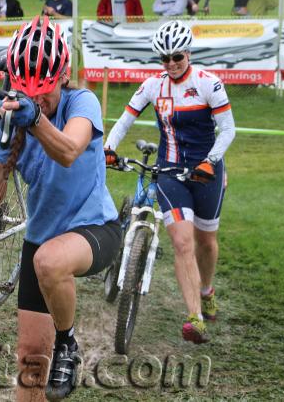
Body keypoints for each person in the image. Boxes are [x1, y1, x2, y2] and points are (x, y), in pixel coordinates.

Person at [0, 15, 121, 401]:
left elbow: (68, 151)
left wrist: (35, 119)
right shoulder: (12, 120)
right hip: (42, 239)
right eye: (29, 93)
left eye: (45, 92)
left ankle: (68, 342)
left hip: (95, 229)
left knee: (50, 261)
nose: (38, 100)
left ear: (64, 76)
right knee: (31, 358)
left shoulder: (80, 102)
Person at [104, 20, 235, 344]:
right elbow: (124, 120)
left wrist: (211, 162)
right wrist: (108, 148)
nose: (172, 63)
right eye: (165, 59)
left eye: (177, 56)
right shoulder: (153, 86)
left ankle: (207, 289)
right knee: (182, 242)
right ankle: (195, 318)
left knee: (206, 241)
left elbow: (228, 130)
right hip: (170, 172)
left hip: (207, 173)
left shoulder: (209, 83)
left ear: (188, 52)